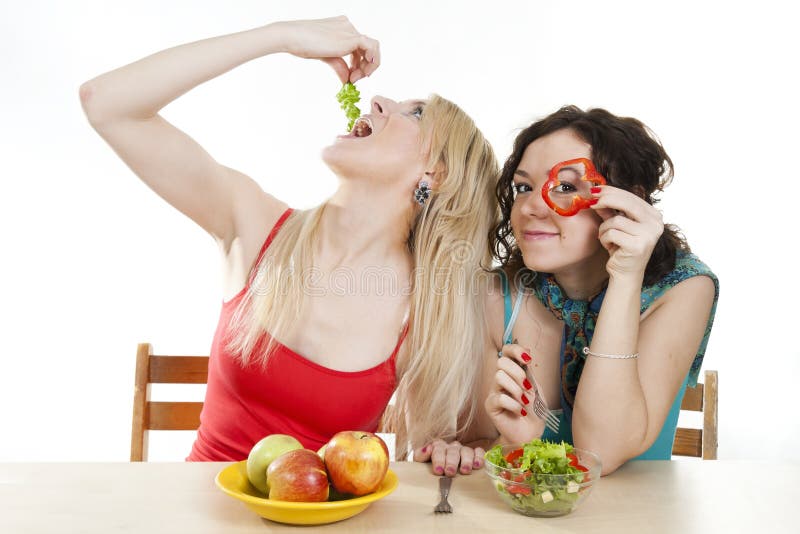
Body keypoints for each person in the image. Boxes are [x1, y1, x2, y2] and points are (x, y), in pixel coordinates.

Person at [80, 16, 498, 463]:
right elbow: (105, 102)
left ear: (436, 175)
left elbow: (469, 446)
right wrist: (280, 37)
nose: (378, 100)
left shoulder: (426, 310)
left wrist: (454, 452)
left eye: (415, 113)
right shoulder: (255, 224)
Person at [482, 105, 719, 475]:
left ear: (626, 202)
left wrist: (626, 276)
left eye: (565, 187)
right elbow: (473, 451)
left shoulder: (685, 288)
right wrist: (510, 443)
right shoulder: (497, 294)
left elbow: (600, 451)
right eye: (523, 187)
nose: (530, 207)